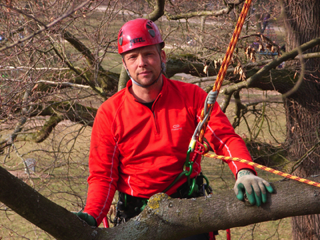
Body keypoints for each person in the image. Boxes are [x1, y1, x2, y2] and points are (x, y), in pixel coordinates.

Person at [75, 18, 274, 239]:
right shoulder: (110, 113)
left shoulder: (192, 98)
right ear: (125, 64)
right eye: (133, 57)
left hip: (189, 211)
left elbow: (224, 139)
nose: (141, 62)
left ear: (162, 57)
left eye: (148, 54)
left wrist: (244, 172)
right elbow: (103, 176)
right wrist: (91, 214)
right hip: (135, 216)